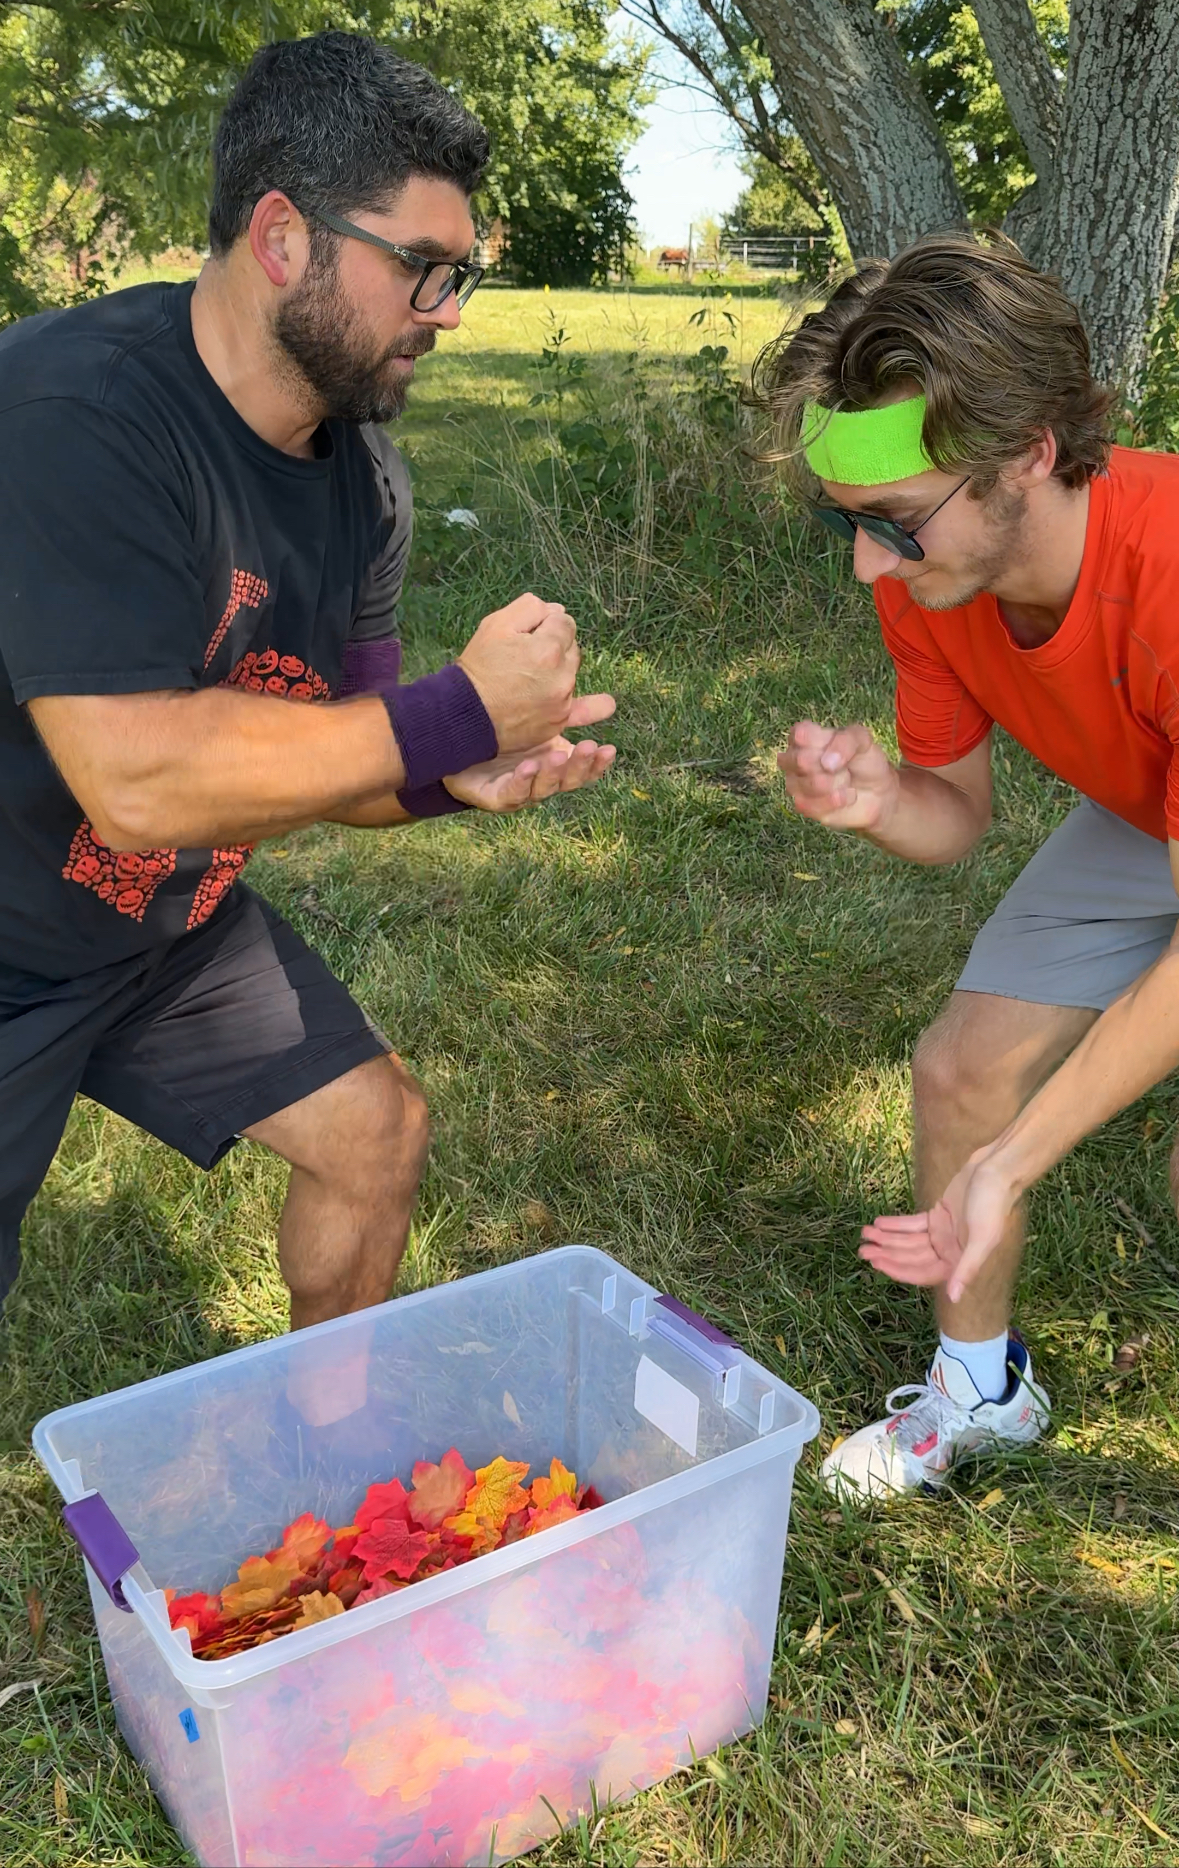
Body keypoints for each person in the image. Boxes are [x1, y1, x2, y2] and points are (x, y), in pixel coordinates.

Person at [0, 31, 617, 1353]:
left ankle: (321, 1463)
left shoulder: (365, 482)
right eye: (422, 270)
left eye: (462, 277)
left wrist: (452, 777)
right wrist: (455, 713)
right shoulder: (72, 408)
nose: (447, 312)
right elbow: (138, 781)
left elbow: (341, 750)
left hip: (159, 931)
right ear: (283, 236)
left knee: (372, 1132)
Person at [761, 230, 1179, 1498]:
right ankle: (979, 1392)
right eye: (853, 525)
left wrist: (1016, 1161)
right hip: (1149, 812)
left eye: (893, 525)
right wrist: (885, 796)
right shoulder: (930, 582)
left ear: (1030, 457)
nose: (866, 566)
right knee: (958, 1071)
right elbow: (959, 815)